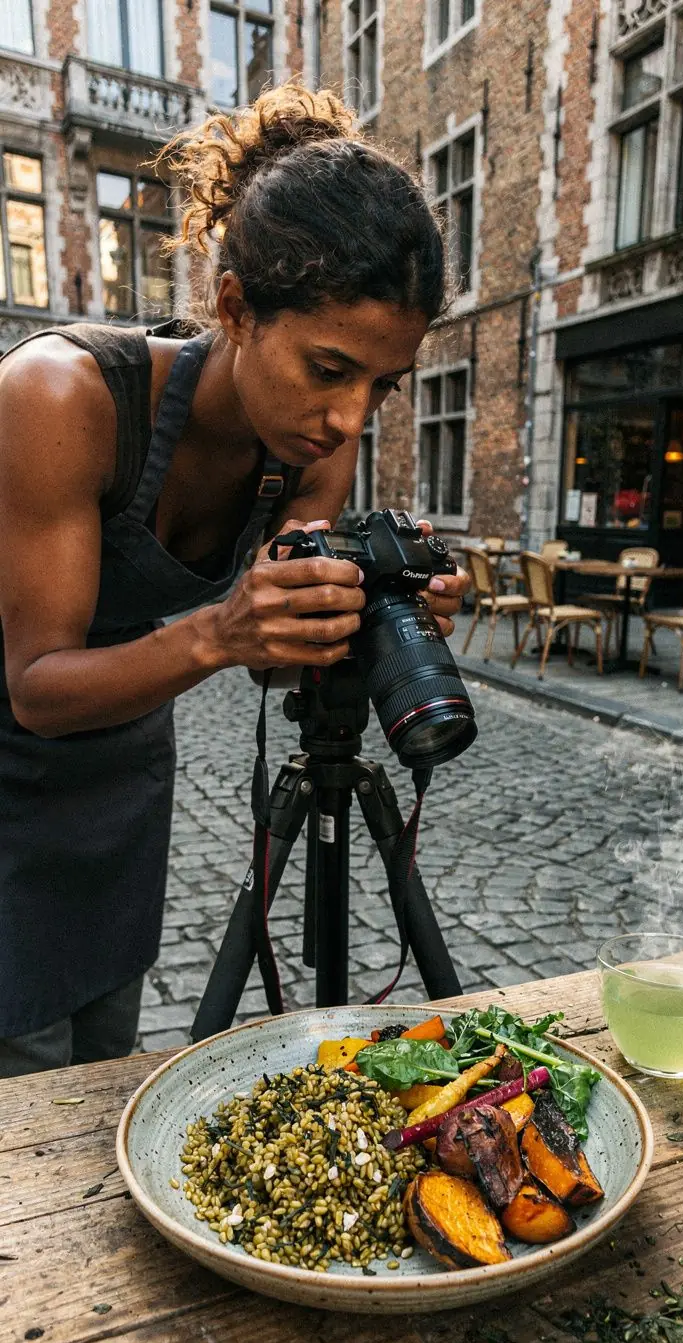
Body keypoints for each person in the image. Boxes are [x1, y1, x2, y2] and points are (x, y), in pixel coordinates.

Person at [0, 84, 469, 1078]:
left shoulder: (311, 449)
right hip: (15, 749)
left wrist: (376, 622)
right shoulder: (58, 399)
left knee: (104, 1060)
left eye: (382, 387)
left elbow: (275, 668)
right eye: (330, 368)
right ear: (234, 307)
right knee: (22, 1077)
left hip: (122, 767)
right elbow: (36, 685)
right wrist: (220, 630)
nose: (350, 418)